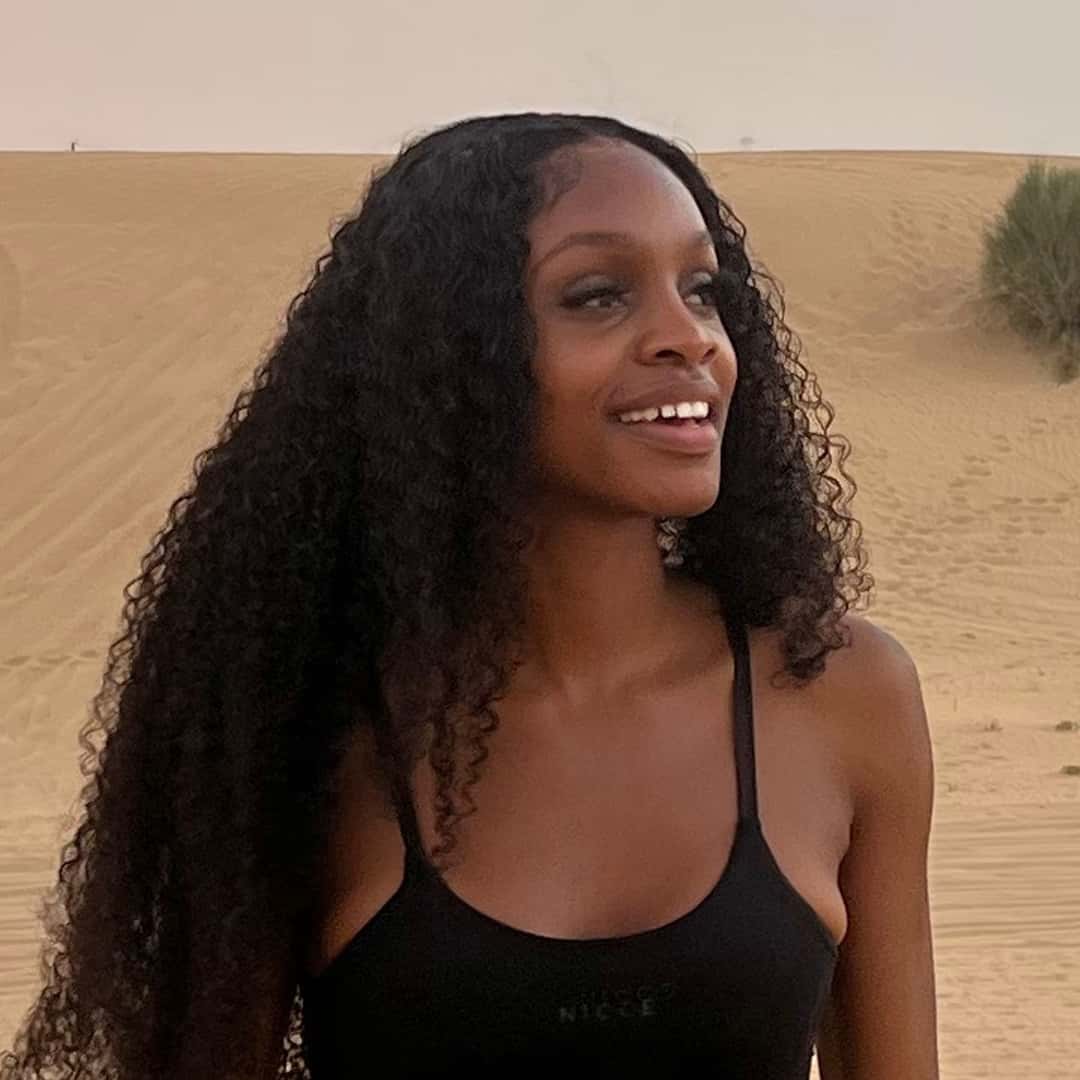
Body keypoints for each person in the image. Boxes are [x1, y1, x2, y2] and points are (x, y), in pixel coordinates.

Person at [1, 112, 939, 1079]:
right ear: (454, 355)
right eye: (597, 296)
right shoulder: (303, 728)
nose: (687, 338)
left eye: (701, 290)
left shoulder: (842, 696)